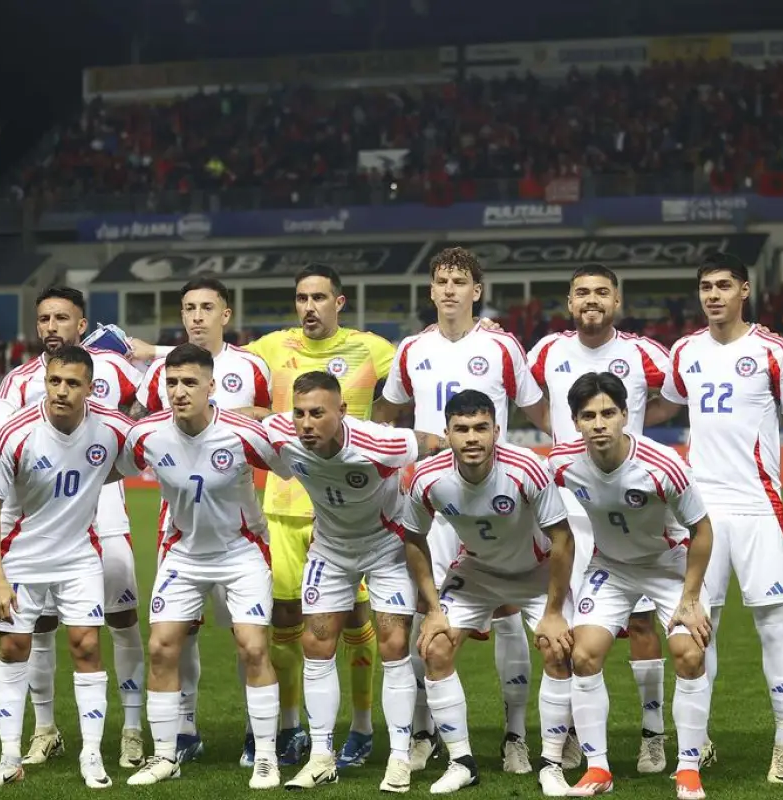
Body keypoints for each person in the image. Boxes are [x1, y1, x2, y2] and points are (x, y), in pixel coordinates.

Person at [133, 264, 394, 768]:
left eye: (320, 297)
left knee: (357, 622)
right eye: (302, 297)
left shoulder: (372, 347)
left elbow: (416, 370)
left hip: (347, 509)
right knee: (284, 626)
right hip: (279, 506)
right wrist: (157, 353)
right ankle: (289, 728)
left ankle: (361, 728)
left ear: (339, 303)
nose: (310, 306)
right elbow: (208, 357)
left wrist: (482, 330)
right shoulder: (270, 350)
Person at [376, 246, 553, 775]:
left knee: (507, 618)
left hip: (492, 498)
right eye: (441, 280)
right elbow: (386, 411)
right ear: (430, 290)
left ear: (476, 291)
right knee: (424, 618)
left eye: (460, 281)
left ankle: (516, 735)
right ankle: (428, 733)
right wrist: (394, 448)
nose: (449, 289)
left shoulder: (502, 345)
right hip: (434, 499)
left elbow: (536, 409)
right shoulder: (411, 349)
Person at [650, 252, 783, 784]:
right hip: (701, 513)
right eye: (705, 286)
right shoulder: (685, 351)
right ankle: (696, 745)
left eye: (724, 285)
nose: (713, 295)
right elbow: (664, 405)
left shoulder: (773, 349)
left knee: (773, 627)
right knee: (702, 629)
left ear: (744, 290)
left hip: (760, 509)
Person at [527, 263, 682, 775]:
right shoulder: (547, 351)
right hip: (568, 510)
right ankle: (570, 733)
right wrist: (560, 435)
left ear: (617, 301)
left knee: (640, 623)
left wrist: (638, 426)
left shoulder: (645, 352)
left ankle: (653, 734)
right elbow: (529, 400)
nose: (591, 300)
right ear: (569, 302)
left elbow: (678, 396)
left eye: (601, 292)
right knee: (569, 627)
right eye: (581, 293)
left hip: (628, 508)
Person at [261, 371, 446, 792]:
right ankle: (321, 756)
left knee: (394, 644)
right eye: (300, 414)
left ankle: (399, 758)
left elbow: (435, 442)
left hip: (386, 546)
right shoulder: (282, 434)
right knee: (316, 644)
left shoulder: (380, 443)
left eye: (318, 414)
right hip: (330, 547)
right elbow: (251, 421)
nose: (306, 424)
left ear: (342, 412)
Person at [0, 287, 147, 769]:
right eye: (44, 318)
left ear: (82, 325)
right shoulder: (17, 382)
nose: (51, 326)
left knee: (121, 619)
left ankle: (134, 730)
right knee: (38, 627)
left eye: (62, 317)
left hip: (105, 513)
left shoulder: (113, 368)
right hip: (38, 521)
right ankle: (45, 729)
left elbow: (148, 413)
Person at [117, 343, 285, 788]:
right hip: (184, 553)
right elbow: (113, 466)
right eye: (172, 383)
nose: (179, 391)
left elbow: (293, 466)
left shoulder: (242, 432)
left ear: (212, 386)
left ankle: (266, 756)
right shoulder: (147, 434)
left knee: (252, 647)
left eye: (190, 382)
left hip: (241, 551)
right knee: (161, 648)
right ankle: (166, 755)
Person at [547, 372, 714, 800]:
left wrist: (691, 598)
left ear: (625, 416)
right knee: (582, 656)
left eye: (608, 413)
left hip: (668, 565)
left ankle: (689, 769)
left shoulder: (663, 466)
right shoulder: (562, 464)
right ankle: (598, 769)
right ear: (576, 422)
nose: (599, 423)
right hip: (611, 567)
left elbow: (702, 529)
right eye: (588, 416)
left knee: (689, 653)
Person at [401, 390, 576, 796]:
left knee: (557, 647)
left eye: (481, 428)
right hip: (478, 571)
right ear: (447, 433)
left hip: (534, 571)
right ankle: (462, 762)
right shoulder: (429, 478)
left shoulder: (527, 468)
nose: (472, 438)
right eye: (461, 429)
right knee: (435, 647)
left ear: (498, 430)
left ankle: (551, 763)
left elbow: (563, 539)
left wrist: (552, 610)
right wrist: (432, 608)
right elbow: (412, 538)